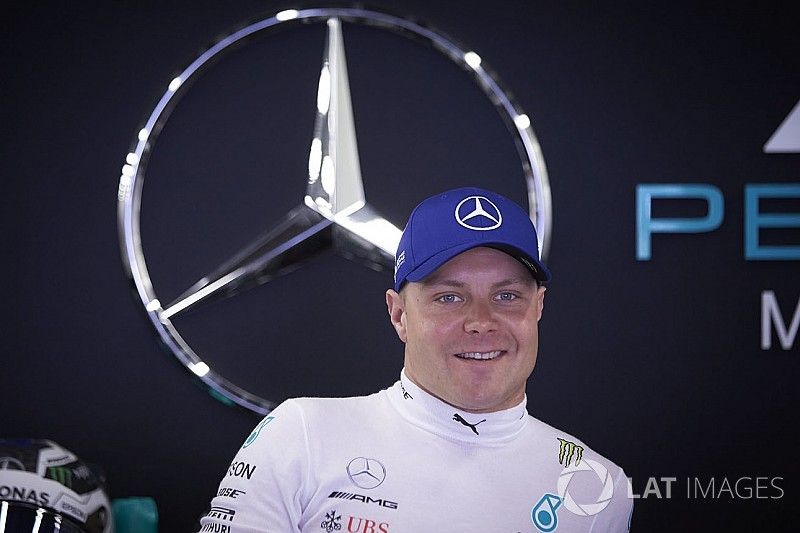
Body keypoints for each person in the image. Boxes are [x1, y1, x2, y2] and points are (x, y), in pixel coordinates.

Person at [198, 187, 633, 532]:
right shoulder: (303, 434)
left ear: (538, 307)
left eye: (506, 296)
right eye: (449, 297)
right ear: (399, 315)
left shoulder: (597, 486)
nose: (481, 322)